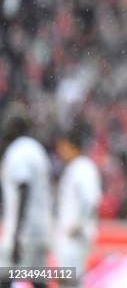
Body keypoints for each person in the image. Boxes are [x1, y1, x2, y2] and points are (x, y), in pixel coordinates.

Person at [0, 102, 52, 288]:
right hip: (40, 230)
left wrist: (15, 237)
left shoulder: (18, 150)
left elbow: (24, 190)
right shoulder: (37, 149)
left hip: (23, 233)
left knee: (4, 276)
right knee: (38, 280)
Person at [54, 124, 101, 287]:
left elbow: (92, 201)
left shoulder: (83, 167)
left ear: (70, 144)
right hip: (70, 239)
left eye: (62, 146)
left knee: (70, 282)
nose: (60, 151)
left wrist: (78, 227)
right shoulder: (76, 167)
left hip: (74, 240)